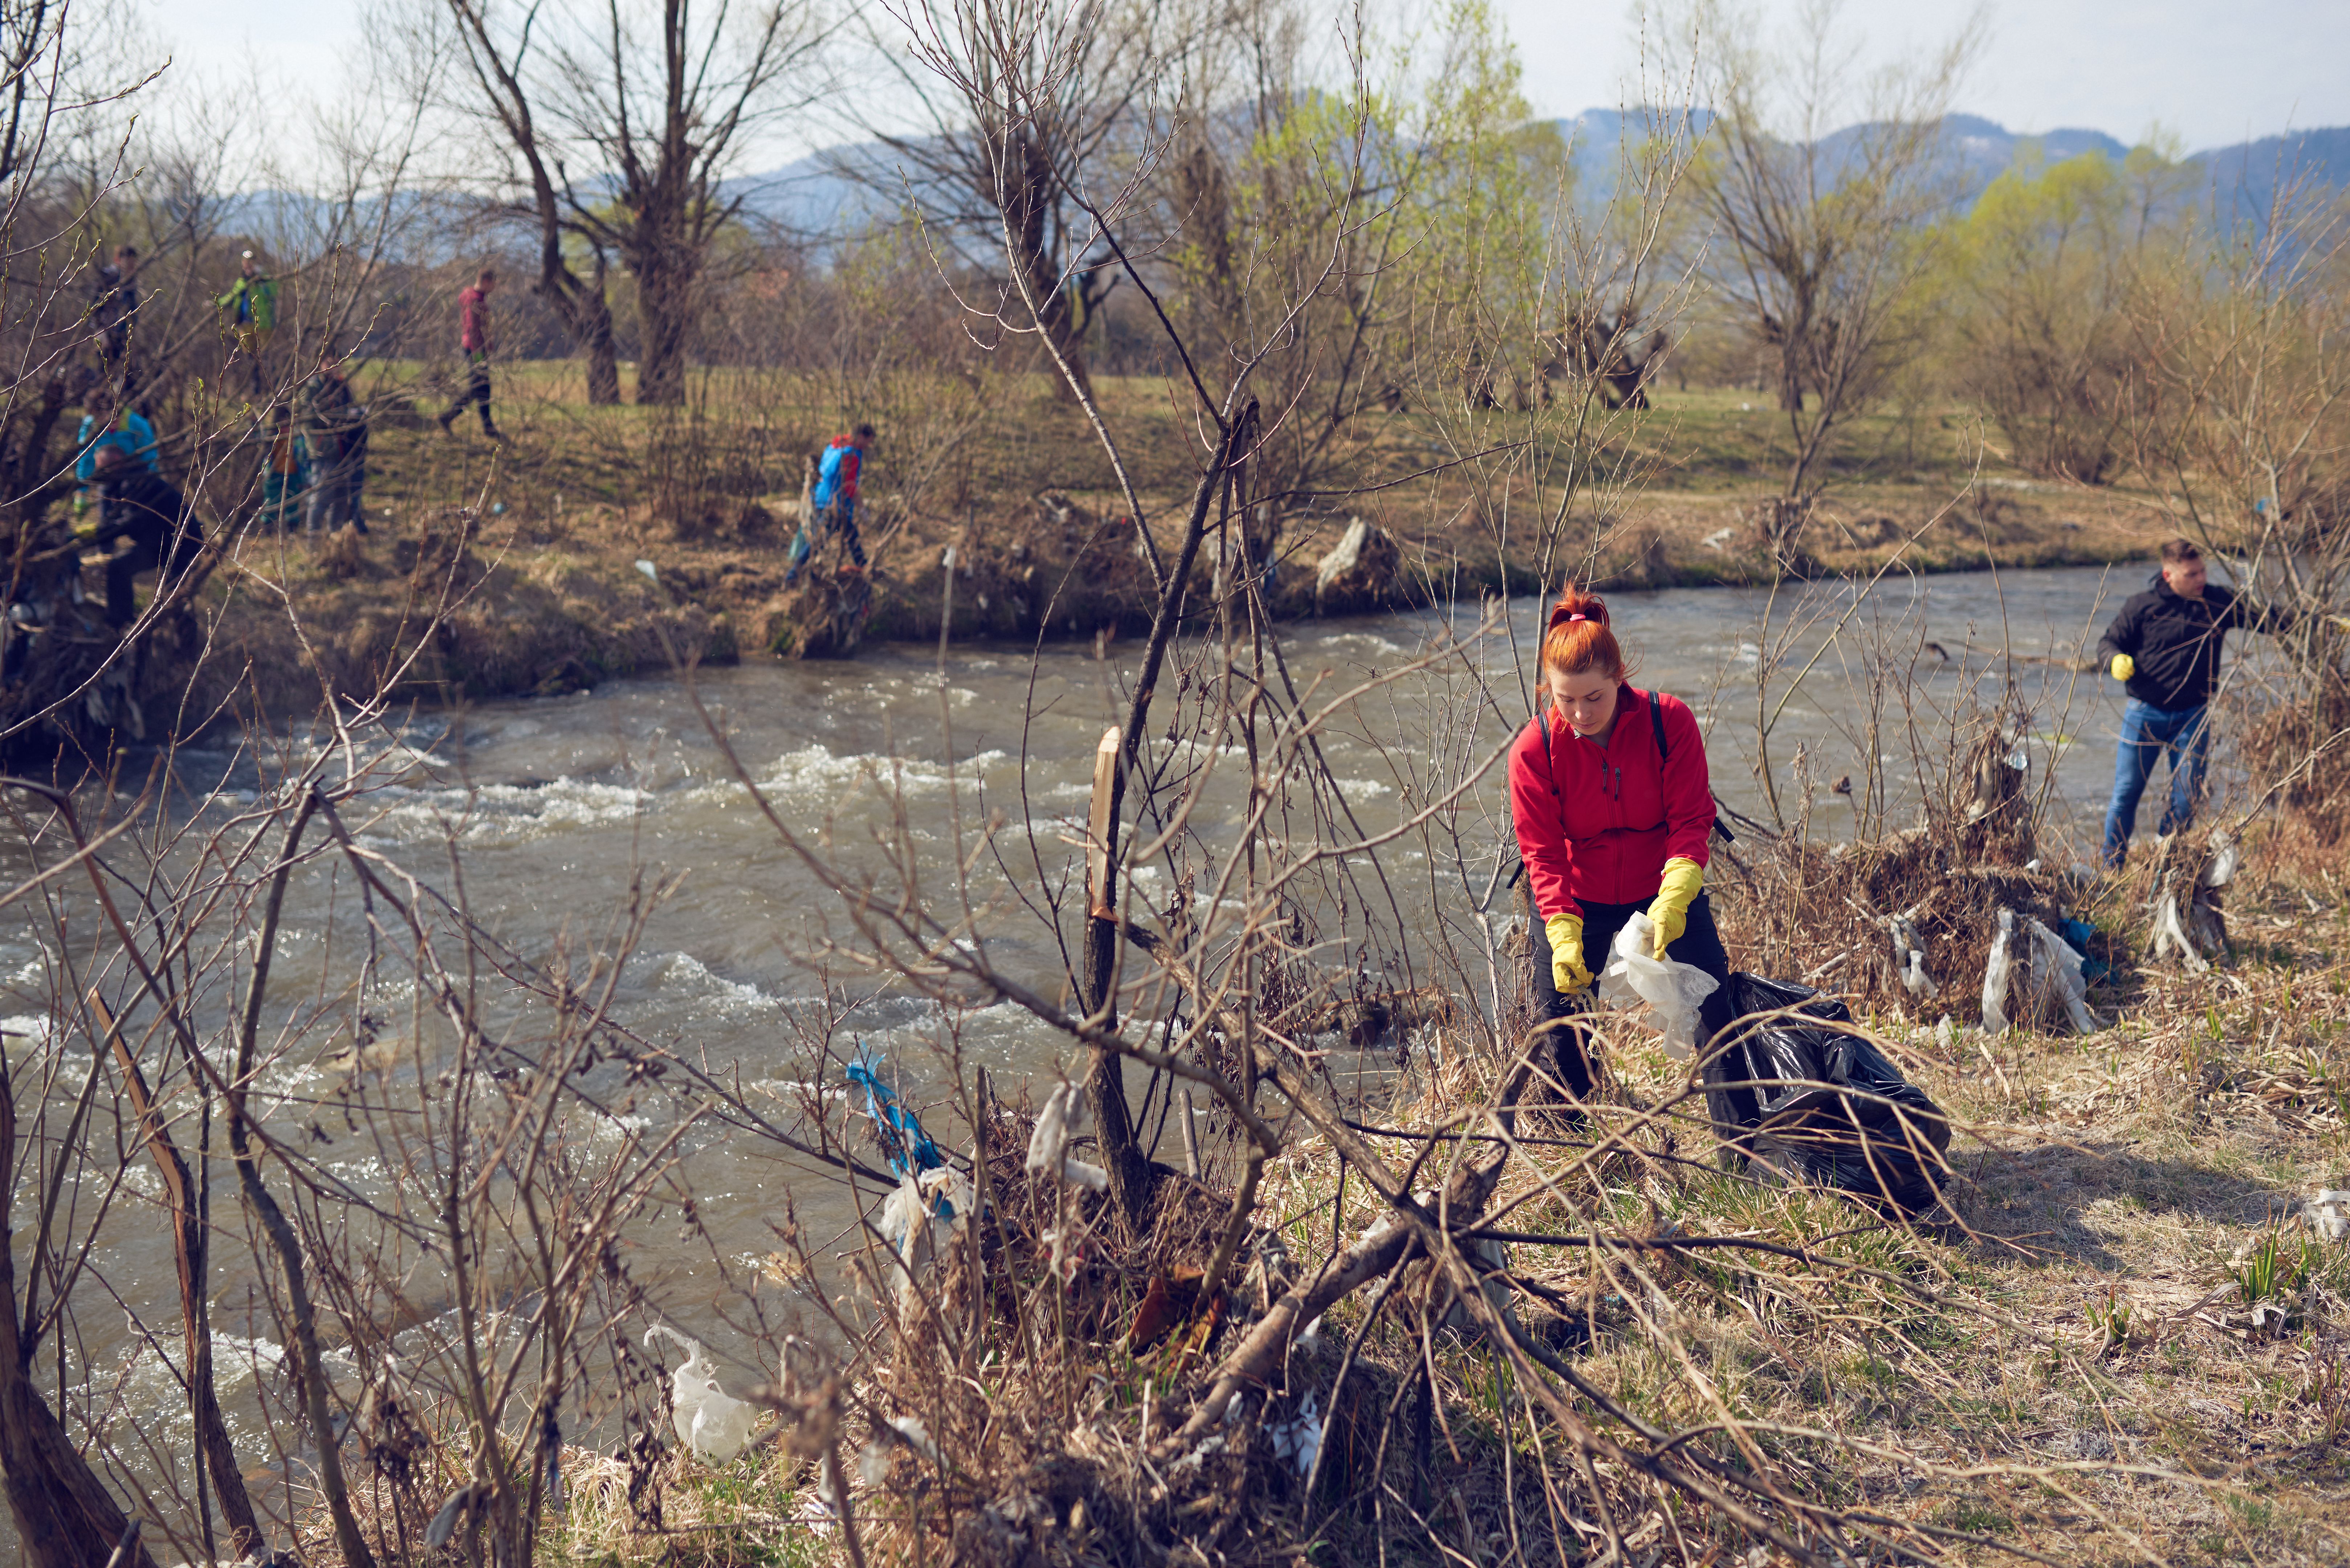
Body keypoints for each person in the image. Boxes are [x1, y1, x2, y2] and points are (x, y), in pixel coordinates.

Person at [1508, 588, 1742, 1125]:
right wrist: (1562, 933)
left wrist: (1675, 899)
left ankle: (1743, 1155)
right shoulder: (1534, 749)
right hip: (1575, 899)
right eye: (1566, 700)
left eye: (1594, 697)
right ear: (1550, 690)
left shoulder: (1669, 723)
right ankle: (1581, 1164)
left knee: (1715, 1016)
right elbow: (1541, 853)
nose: (1581, 713)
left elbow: (1690, 820)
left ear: (1619, 678)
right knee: (1564, 1034)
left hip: (1660, 886)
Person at [2094, 539, 2287, 867]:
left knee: (2186, 801)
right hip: (2144, 714)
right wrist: (2114, 661)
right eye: (2191, 574)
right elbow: (2108, 642)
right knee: (2126, 795)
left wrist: (2318, 624)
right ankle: (2111, 868)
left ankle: (2166, 866)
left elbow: (2267, 619)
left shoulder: (2217, 602)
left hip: (2193, 717)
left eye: (2202, 571)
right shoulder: (2142, 606)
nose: (2201, 579)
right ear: (2168, 575)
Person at [78, 444, 201, 626]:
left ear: (116, 465)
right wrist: (93, 536)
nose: (99, 471)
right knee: (118, 568)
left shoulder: (140, 484)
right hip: (155, 545)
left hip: (183, 546)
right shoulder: (120, 484)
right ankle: (121, 623)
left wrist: (95, 535)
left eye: (102, 467)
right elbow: (113, 520)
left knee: (173, 596)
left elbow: (130, 522)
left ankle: (183, 647)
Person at [788, 423, 872, 585]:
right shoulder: (852, 454)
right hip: (835, 505)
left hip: (821, 499)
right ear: (861, 436)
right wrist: (862, 509)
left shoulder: (834, 447)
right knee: (820, 540)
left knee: (849, 533)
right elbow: (849, 484)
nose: (869, 446)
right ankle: (793, 574)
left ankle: (864, 565)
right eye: (869, 441)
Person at [304, 348, 370, 534]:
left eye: (338, 363)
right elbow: (312, 417)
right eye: (330, 363)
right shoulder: (313, 387)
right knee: (321, 499)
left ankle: (335, 541)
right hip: (323, 450)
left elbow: (350, 408)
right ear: (322, 363)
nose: (335, 368)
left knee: (341, 499)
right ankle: (313, 543)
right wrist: (343, 416)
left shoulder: (341, 386)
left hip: (344, 450)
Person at [438, 268, 502, 440]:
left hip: (474, 348)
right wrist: (479, 356)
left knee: (484, 388)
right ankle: (447, 417)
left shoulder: (471, 296)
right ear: (487, 281)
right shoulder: (475, 300)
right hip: (475, 349)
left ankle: (489, 427)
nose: (494, 288)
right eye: (494, 283)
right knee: (477, 388)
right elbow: (474, 330)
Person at [217, 250, 278, 394]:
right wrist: (216, 303)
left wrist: (262, 279)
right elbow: (232, 296)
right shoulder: (241, 282)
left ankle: (271, 388)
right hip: (245, 324)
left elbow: (274, 292)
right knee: (249, 357)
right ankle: (254, 389)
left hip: (262, 325)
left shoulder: (263, 280)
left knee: (265, 356)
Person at [256, 403, 310, 532]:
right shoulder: (271, 438)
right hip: (274, 475)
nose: (286, 427)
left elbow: (304, 458)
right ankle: (267, 530)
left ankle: (292, 530)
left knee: (292, 504)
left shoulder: (297, 437)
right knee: (271, 502)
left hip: (294, 475)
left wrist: (305, 477)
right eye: (283, 423)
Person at [92, 244, 140, 375]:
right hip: (104, 331)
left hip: (120, 334)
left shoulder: (130, 281)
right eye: (130, 262)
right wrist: (100, 330)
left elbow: (133, 308)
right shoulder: (109, 276)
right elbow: (95, 306)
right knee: (103, 370)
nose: (133, 266)